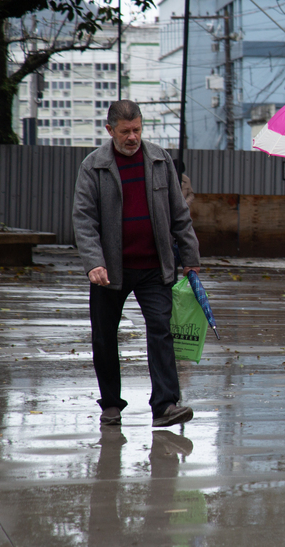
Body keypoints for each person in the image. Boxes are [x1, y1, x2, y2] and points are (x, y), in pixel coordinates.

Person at [73, 99, 200, 428]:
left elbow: (179, 214)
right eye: (126, 131)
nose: (133, 137)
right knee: (104, 337)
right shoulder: (94, 166)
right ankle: (111, 405)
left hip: (155, 268)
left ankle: (165, 405)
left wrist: (190, 259)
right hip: (109, 271)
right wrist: (93, 263)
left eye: (137, 130)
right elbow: (84, 221)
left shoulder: (160, 159)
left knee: (161, 331)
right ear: (109, 130)